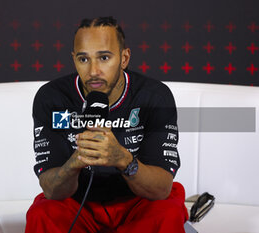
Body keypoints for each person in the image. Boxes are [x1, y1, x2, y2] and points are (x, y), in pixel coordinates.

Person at [26, 16, 188, 233]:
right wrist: (77, 161)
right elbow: (51, 190)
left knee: (167, 213)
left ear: (124, 58)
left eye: (104, 58)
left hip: (137, 202)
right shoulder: (52, 98)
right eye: (83, 59)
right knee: (42, 214)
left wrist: (122, 158)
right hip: (77, 203)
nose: (93, 71)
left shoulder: (155, 97)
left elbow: (160, 189)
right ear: (74, 59)